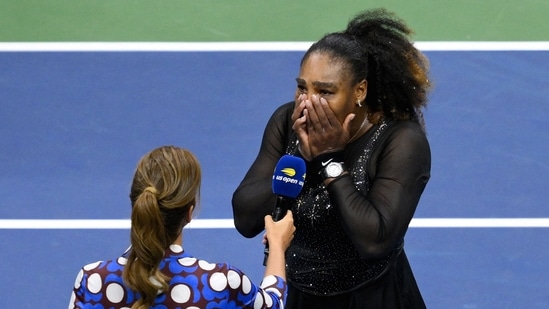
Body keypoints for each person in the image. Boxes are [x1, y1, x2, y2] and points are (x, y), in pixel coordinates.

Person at [232, 8, 431, 309]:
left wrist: (328, 159)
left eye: (325, 92)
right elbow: (245, 218)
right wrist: (299, 154)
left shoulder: (401, 141)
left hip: (374, 298)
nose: (308, 103)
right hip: (300, 295)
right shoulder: (287, 122)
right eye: (302, 88)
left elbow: (374, 240)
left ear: (359, 90)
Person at [69, 145, 295, 309]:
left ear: (135, 203)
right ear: (189, 211)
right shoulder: (221, 283)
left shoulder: (91, 281)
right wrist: (277, 245)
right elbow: (273, 303)